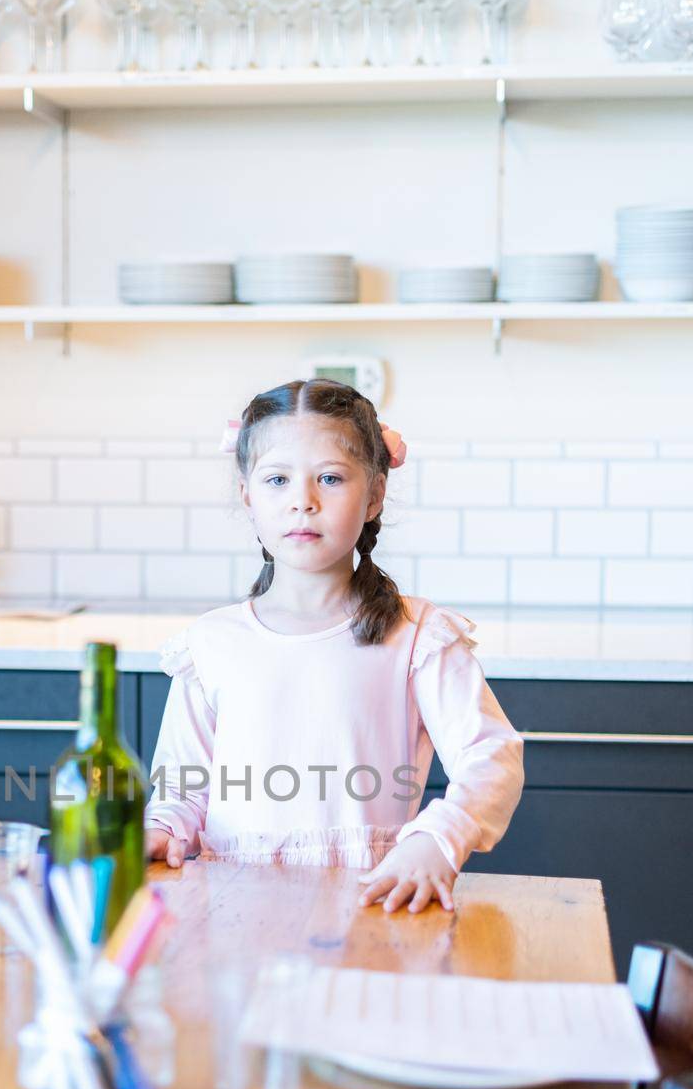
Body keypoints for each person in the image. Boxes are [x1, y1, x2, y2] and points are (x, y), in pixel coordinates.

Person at [143, 377, 524, 914]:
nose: (303, 501)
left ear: (374, 495)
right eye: (277, 479)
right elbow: (181, 792)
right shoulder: (210, 644)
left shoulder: (416, 635)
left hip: (370, 907)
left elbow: (492, 755)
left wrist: (437, 838)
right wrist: (162, 830)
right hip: (233, 916)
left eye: (330, 477)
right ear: (247, 496)